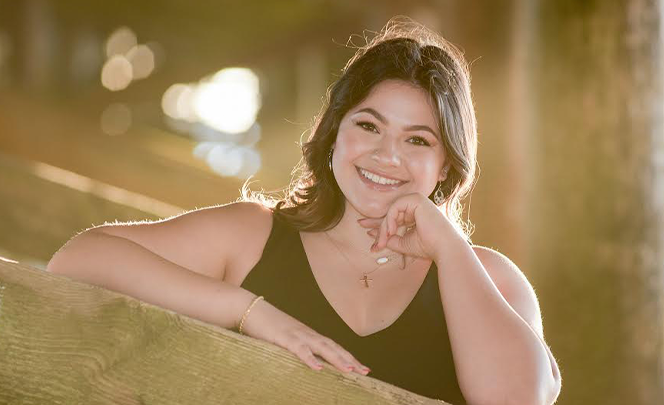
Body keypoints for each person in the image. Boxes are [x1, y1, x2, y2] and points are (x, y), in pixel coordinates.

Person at [47, 17, 561, 405]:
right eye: (368, 126)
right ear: (335, 128)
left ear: (446, 164)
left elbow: (517, 401)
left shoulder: (487, 277)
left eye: (418, 139)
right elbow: (78, 259)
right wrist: (251, 313)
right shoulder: (252, 235)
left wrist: (447, 246)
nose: (387, 155)